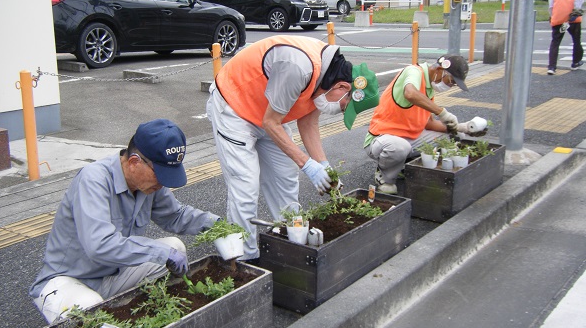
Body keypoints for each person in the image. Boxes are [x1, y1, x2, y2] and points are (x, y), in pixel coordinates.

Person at [29, 119, 220, 324]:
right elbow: (100, 245)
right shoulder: (94, 180)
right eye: (160, 174)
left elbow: (175, 215)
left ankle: (120, 308)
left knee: (175, 248)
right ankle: (93, 311)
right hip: (70, 279)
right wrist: (159, 252)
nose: (163, 182)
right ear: (134, 162)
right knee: (89, 308)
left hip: (113, 273)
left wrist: (217, 225)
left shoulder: (149, 185)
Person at [206, 35, 379, 262]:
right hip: (234, 108)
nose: (338, 110)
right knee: (245, 187)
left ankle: (290, 243)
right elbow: (271, 123)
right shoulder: (299, 67)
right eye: (344, 106)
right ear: (343, 86)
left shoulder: (327, 79)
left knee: (286, 181)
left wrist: (323, 165)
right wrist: (307, 164)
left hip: (269, 112)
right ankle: (244, 260)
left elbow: (307, 122)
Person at [364, 55, 484, 195]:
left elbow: (429, 124)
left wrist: (462, 127)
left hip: (408, 138)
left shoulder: (429, 87)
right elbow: (410, 93)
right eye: (451, 81)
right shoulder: (414, 72)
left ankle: (402, 165)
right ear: (440, 69)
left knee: (454, 135)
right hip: (381, 139)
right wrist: (442, 112)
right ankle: (385, 177)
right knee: (399, 147)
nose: (450, 86)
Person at [548, 0, 584, 75]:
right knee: (576, 40)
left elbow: (551, 6)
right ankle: (575, 62)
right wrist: (575, 12)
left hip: (560, 20)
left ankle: (552, 67)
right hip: (572, 20)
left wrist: (552, 16)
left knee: (555, 42)